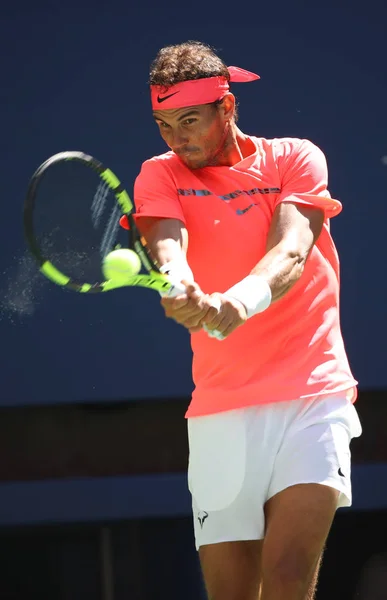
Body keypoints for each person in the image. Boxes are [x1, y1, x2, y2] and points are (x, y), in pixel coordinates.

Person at [133, 41, 362, 600]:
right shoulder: (157, 174)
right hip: (220, 412)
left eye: (189, 120)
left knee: (287, 579)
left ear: (227, 108)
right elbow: (168, 245)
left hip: (313, 396)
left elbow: (292, 249)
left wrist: (235, 303)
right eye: (164, 124)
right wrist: (180, 281)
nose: (176, 138)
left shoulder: (294, 157)